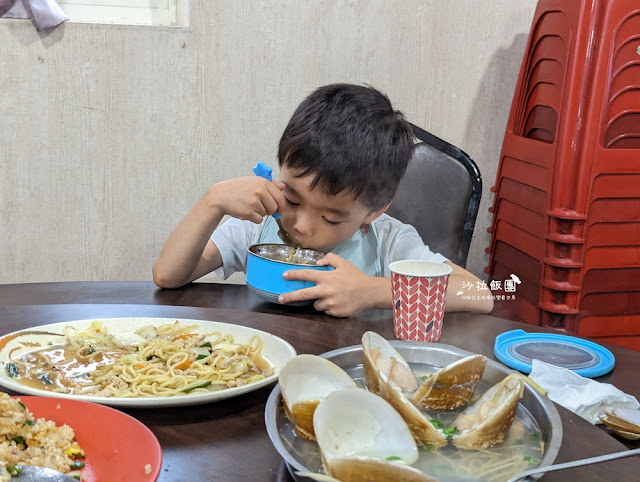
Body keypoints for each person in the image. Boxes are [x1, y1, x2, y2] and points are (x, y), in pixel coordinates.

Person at [153, 83, 494, 317]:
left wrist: (373, 291)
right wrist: (211, 202)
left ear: (373, 211)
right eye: (294, 199)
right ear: (280, 169)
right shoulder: (259, 226)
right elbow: (168, 276)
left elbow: (479, 294)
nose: (301, 225)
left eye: (332, 218)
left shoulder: (388, 241)